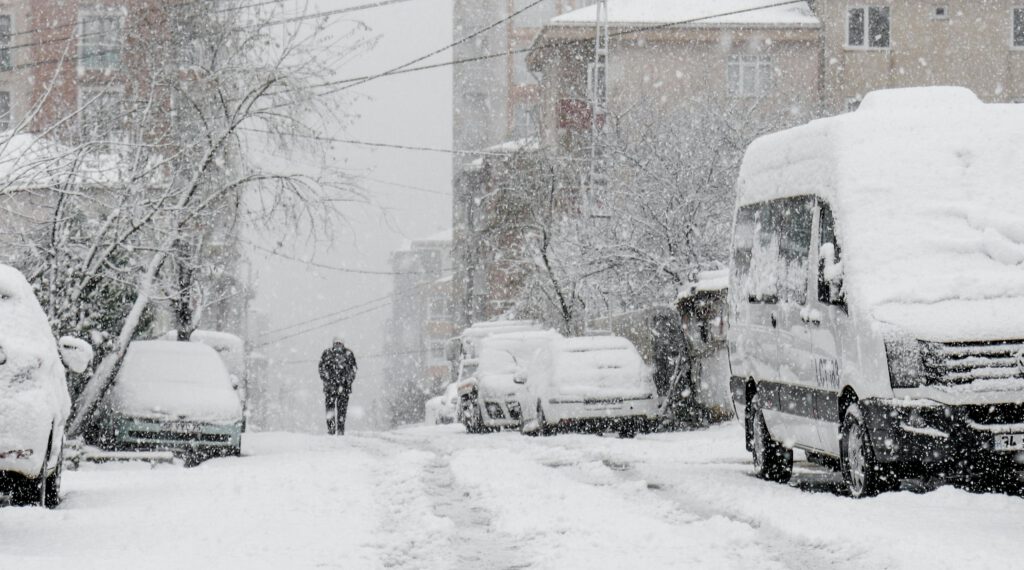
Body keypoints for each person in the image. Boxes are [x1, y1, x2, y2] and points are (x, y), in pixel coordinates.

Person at [319, 336, 357, 435]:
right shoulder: (327, 353)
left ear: (343, 344)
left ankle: (340, 430)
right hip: (330, 388)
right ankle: (331, 430)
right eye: (336, 343)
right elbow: (322, 368)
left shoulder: (348, 354)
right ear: (333, 343)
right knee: (330, 409)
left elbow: (353, 369)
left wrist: (347, 380)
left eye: (340, 343)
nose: (338, 345)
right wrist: (328, 380)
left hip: (344, 387)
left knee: (342, 410)